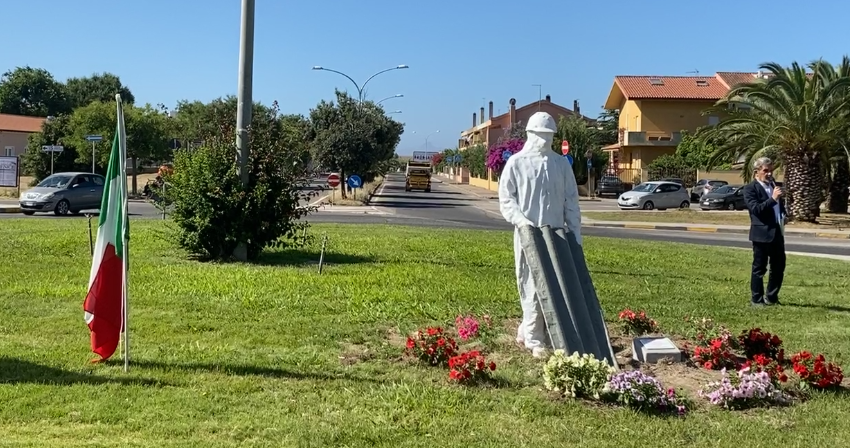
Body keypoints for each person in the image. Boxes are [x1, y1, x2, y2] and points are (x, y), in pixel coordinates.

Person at [498, 112, 583, 358]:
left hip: (556, 236)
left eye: (549, 136)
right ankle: (534, 338)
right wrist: (522, 222)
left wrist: (575, 232)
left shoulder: (560, 165)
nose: (545, 141)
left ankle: (542, 332)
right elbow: (506, 199)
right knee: (531, 284)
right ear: (530, 135)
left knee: (557, 285)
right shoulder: (516, 163)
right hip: (529, 236)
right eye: (540, 135)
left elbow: (571, 202)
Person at [742, 157, 786, 306]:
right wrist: (773, 199)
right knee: (759, 268)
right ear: (756, 172)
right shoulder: (750, 189)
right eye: (765, 170)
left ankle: (772, 297)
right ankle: (756, 299)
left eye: (771, 170)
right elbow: (756, 209)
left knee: (778, 267)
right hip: (761, 234)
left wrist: (784, 214)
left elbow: (778, 207)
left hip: (777, 233)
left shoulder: (774, 186)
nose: (769, 174)